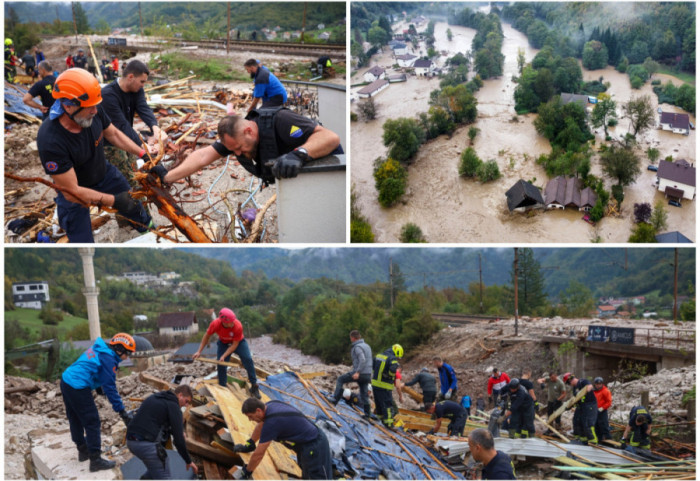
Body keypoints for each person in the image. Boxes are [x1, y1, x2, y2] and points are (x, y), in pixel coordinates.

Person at [37, 68, 154, 243]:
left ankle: (150, 231)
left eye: (95, 105)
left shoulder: (93, 108)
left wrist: (143, 154)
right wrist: (114, 200)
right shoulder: (51, 140)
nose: (95, 111)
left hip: (103, 172)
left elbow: (113, 134)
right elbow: (71, 191)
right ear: (68, 105)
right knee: (81, 239)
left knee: (133, 205)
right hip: (75, 190)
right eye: (89, 107)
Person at [149, 107, 342, 186]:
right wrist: (167, 176)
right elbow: (201, 157)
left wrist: (299, 154)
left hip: (330, 170)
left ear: (249, 131)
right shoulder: (235, 141)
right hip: (300, 180)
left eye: (239, 148)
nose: (238, 154)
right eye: (234, 151)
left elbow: (331, 137)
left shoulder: (282, 120)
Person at [60, 333, 136, 472]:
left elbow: (93, 369)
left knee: (75, 418)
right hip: (78, 386)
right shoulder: (108, 359)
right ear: (119, 349)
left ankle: (83, 450)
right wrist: (122, 412)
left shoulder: (101, 350)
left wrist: (99, 387)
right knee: (92, 421)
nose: (127, 357)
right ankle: (95, 460)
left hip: (66, 380)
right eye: (127, 353)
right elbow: (110, 387)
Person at [235, 398, 332, 479]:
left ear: (258, 411)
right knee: (307, 475)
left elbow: (259, 454)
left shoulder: (272, 422)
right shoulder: (269, 405)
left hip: (315, 445)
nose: (250, 420)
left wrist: (247, 472)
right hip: (306, 444)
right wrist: (250, 444)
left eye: (251, 416)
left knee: (318, 477)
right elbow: (260, 425)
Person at [101, 60, 161, 187]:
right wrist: (143, 145)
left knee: (135, 175)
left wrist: (155, 129)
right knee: (129, 183)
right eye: (142, 81)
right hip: (111, 146)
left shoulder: (136, 90)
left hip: (128, 141)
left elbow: (143, 108)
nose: (143, 85)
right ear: (130, 77)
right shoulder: (108, 95)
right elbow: (121, 125)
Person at [126, 385, 198, 479]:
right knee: (163, 471)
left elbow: (159, 421)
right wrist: (188, 461)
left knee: (156, 465)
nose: (186, 405)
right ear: (180, 395)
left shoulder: (157, 397)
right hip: (145, 445)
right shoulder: (174, 406)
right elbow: (178, 441)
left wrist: (177, 431)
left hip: (131, 441)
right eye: (186, 401)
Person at [191, 308, 260, 398]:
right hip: (223, 342)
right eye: (230, 322)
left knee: (247, 359)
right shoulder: (215, 324)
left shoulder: (238, 325)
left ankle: (254, 385)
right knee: (221, 364)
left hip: (238, 343)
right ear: (223, 321)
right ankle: (222, 386)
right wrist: (199, 351)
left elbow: (234, 345)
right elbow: (206, 337)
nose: (232, 324)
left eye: (232, 321)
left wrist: (224, 355)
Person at [329, 330, 372, 417]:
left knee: (340, 379)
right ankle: (367, 415)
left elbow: (362, 359)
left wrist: (358, 372)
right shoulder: (367, 346)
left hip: (360, 373)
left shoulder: (357, 347)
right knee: (364, 394)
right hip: (368, 374)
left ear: (352, 338)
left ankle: (335, 399)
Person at [371, 344, 403, 428]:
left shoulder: (378, 355)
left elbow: (373, 367)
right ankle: (389, 424)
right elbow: (393, 370)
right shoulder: (392, 359)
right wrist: (389, 375)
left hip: (375, 384)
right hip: (385, 386)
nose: (397, 358)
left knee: (379, 404)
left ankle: (379, 420)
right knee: (387, 405)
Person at [563, 373, 598, 445]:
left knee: (588, 423)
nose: (569, 385)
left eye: (568, 383)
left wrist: (584, 391)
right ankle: (582, 439)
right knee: (578, 422)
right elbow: (576, 399)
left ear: (570, 380)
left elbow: (590, 386)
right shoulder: (574, 388)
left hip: (590, 405)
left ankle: (593, 440)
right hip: (582, 406)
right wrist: (569, 406)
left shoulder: (583, 382)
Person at [593, 377, 612, 442]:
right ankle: (599, 439)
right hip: (595, 411)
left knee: (604, 425)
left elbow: (609, 402)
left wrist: (602, 408)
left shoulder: (605, 391)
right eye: (597, 384)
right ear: (595, 384)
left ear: (602, 384)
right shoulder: (594, 391)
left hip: (602, 411)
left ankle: (608, 439)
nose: (598, 385)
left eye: (599, 384)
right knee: (596, 426)